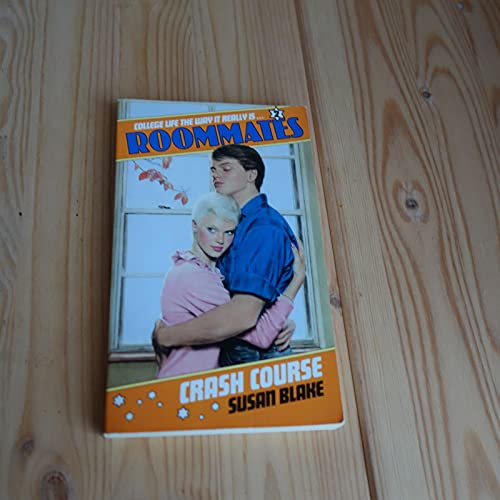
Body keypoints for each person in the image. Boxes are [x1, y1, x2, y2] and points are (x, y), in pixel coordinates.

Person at [154, 144, 301, 366]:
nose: (216, 175)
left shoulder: (263, 228)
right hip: (232, 346)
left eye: (226, 168)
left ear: (251, 175)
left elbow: (243, 316)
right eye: (213, 169)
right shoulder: (233, 223)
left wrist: (166, 336)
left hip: (252, 354)